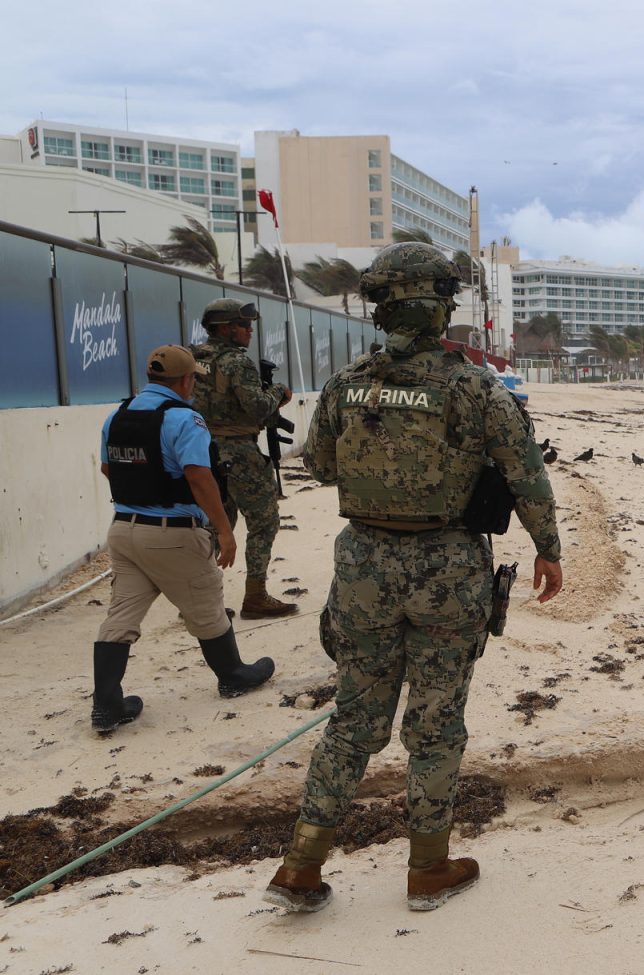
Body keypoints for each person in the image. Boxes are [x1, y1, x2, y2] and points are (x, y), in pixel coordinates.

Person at [265, 242, 563, 914]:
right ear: (442, 306)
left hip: (364, 566)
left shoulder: (347, 384)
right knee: (435, 724)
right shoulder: (475, 386)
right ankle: (428, 867)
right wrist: (548, 548)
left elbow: (319, 464)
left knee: (352, 721)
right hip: (448, 571)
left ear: (380, 307)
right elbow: (525, 473)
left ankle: (301, 864)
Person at [92, 346, 276, 733]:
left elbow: (109, 467)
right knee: (207, 604)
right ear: (187, 380)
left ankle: (106, 704)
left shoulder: (118, 414)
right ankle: (232, 675)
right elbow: (198, 476)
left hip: (123, 530)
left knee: (122, 614)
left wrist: (141, 497)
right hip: (172, 534)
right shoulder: (184, 419)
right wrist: (224, 529)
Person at [191, 299, 298, 619]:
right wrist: (280, 392)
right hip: (239, 451)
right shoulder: (237, 363)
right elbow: (258, 408)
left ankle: (202, 601)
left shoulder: (194, 358)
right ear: (225, 328)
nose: (250, 331)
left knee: (213, 523)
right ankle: (255, 595)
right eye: (244, 326)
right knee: (264, 521)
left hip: (202, 450)